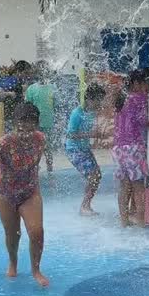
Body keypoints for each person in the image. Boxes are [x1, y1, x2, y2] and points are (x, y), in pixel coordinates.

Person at [0, 102, 49, 287]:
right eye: (23, 121)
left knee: (37, 231)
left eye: (31, 121)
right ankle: (13, 262)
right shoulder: (4, 143)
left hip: (30, 192)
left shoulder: (40, 139)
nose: (27, 126)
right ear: (15, 122)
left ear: (37, 123)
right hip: (6, 194)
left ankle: (36, 270)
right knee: (13, 235)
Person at [113, 69, 149, 226]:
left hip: (118, 148)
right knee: (138, 185)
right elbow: (143, 121)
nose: (147, 86)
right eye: (145, 82)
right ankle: (141, 221)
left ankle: (124, 220)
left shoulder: (122, 98)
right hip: (133, 148)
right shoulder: (139, 98)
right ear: (136, 83)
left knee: (124, 185)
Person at [65, 83, 106, 216]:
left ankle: (86, 205)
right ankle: (84, 206)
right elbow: (70, 134)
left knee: (97, 176)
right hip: (74, 149)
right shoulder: (77, 113)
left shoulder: (92, 112)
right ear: (90, 99)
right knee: (93, 176)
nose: (100, 103)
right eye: (99, 100)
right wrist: (91, 135)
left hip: (84, 148)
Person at [25, 66, 58, 172]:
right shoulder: (31, 89)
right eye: (40, 74)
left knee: (48, 147)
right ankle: (34, 167)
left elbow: (56, 106)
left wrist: (58, 121)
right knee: (35, 147)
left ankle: (50, 167)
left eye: (44, 73)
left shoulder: (53, 88)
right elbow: (27, 106)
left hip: (48, 123)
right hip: (35, 124)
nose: (42, 76)